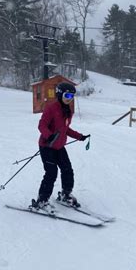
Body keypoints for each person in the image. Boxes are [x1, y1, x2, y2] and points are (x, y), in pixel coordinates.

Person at [31, 82, 90, 212]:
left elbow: (65, 129)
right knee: (51, 172)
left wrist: (79, 136)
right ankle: (42, 200)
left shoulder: (68, 110)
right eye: (67, 95)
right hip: (47, 146)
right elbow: (42, 125)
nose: (69, 98)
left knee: (67, 169)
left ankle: (65, 194)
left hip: (59, 147)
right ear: (60, 94)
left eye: (72, 96)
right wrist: (49, 135)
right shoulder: (51, 108)